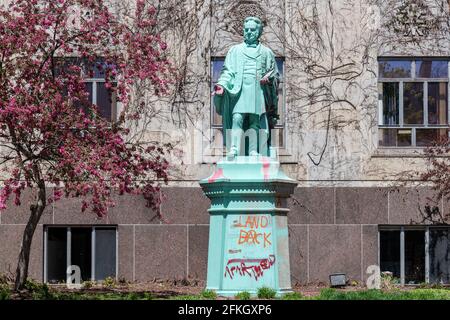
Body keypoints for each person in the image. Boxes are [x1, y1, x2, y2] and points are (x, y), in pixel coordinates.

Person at [213, 16, 279, 158]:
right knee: (237, 118)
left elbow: (275, 75)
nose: (249, 32)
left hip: (258, 91)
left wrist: (269, 79)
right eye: (247, 29)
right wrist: (222, 85)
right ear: (243, 31)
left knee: (255, 121)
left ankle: (253, 150)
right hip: (240, 90)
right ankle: (234, 149)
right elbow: (228, 71)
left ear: (259, 32)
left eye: (253, 30)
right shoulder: (234, 51)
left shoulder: (267, 52)